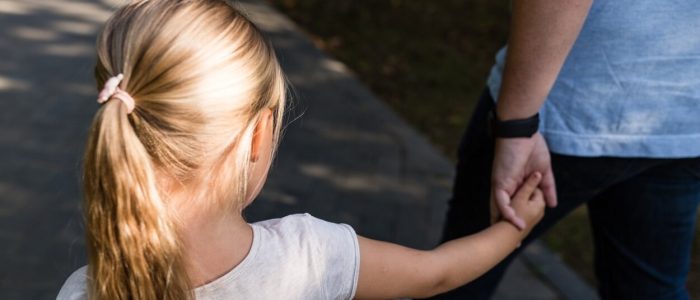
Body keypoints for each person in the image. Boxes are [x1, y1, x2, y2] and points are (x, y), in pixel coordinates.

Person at [56, 1, 547, 299]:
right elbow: (436, 275)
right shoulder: (309, 256)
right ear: (256, 135)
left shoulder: (83, 292)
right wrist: (512, 229)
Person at [434, 0, 700, 299]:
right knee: (651, 290)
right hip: (684, 115)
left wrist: (516, 127)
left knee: (458, 278)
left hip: (565, 109)